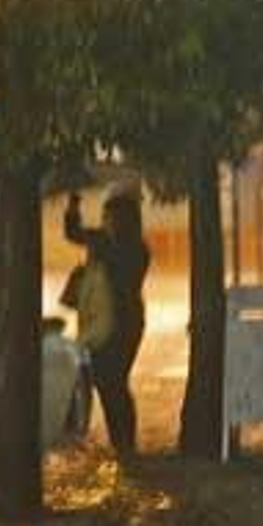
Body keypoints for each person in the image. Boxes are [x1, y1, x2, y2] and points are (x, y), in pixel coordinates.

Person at [64, 181, 150, 456]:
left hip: (123, 323)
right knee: (107, 381)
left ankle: (125, 442)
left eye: (109, 216)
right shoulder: (104, 241)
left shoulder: (133, 249)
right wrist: (73, 206)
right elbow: (73, 233)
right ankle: (122, 442)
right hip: (104, 321)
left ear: (124, 220)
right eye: (104, 216)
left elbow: (123, 281)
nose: (104, 221)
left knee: (114, 381)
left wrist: (99, 259)